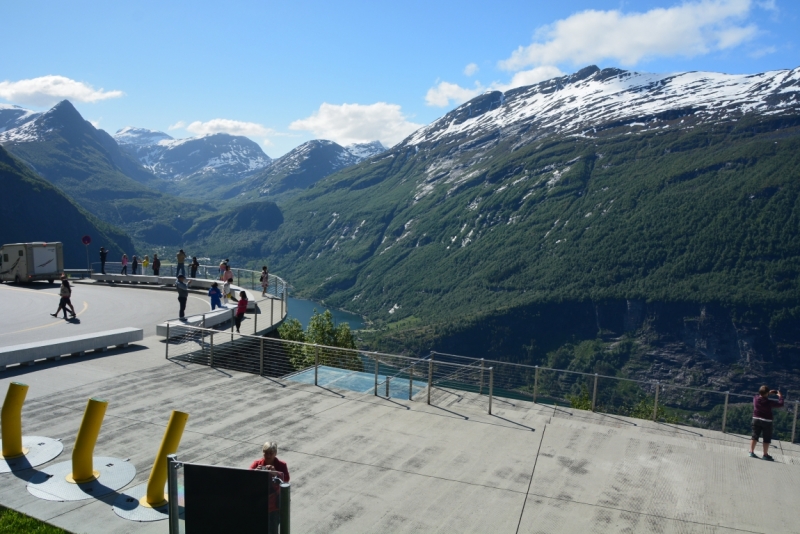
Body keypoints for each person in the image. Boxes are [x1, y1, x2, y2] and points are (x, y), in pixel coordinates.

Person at [249, 441, 290, 533]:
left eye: (271, 453)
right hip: (259, 504)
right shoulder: (257, 464)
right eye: (266, 453)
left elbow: (286, 480)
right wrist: (255, 472)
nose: (268, 455)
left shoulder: (281, 465)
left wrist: (276, 473)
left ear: (275, 453)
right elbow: (246, 478)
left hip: (274, 506)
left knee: (273, 530)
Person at [749, 386, 785, 461]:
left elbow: (759, 394)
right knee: (766, 438)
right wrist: (780, 396)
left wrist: (767, 393)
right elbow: (780, 404)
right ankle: (765, 455)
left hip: (756, 419)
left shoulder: (755, 398)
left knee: (754, 436)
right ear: (767, 393)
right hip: (767, 421)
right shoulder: (769, 402)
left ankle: (751, 451)